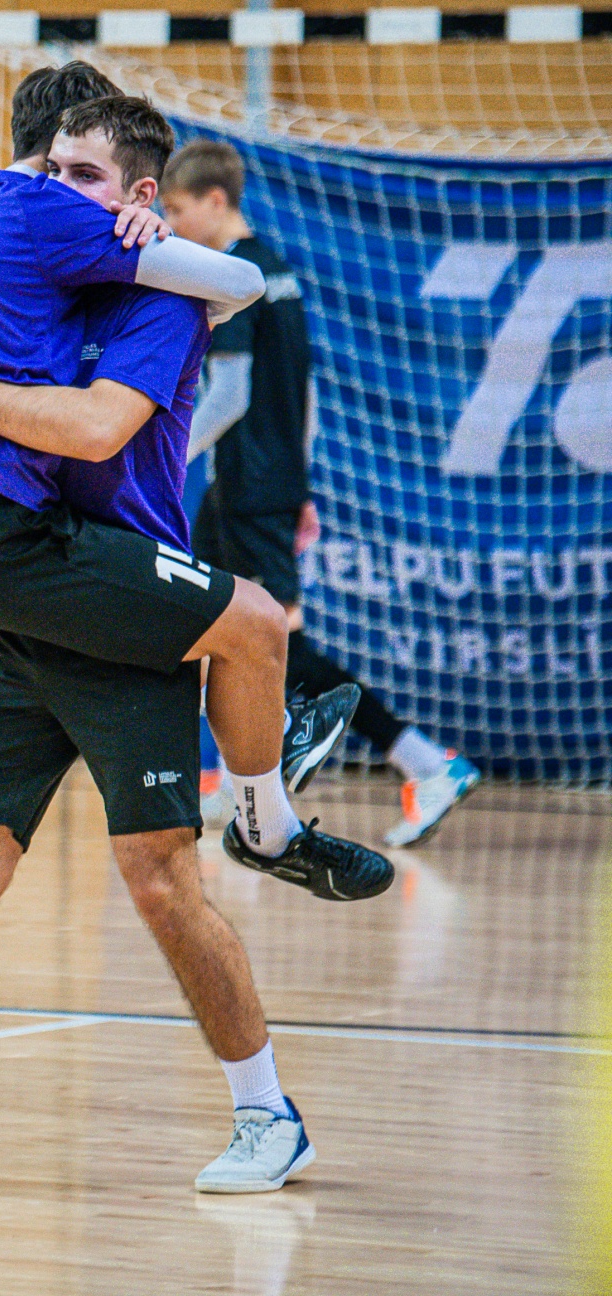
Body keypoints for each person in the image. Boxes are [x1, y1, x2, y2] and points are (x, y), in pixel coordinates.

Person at [0, 79, 389, 1198]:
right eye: (52, 172)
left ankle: (269, 1093)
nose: (60, 190)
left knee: (162, 874)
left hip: (119, 595)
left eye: (86, 177)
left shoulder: (163, 300)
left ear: (141, 198)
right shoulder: (54, 277)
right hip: (44, 587)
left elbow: (98, 426)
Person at [159, 138, 481, 848]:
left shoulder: (236, 277)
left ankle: (427, 763)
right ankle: (237, 784)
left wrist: (163, 457)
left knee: (279, 648)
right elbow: (300, 395)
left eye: (177, 209)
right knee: (209, 631)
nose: (172, 225)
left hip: (250, 490)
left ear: (215, 200)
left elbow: (231, 396)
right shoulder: (280, 272)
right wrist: (300, 483)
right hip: (256, 488)